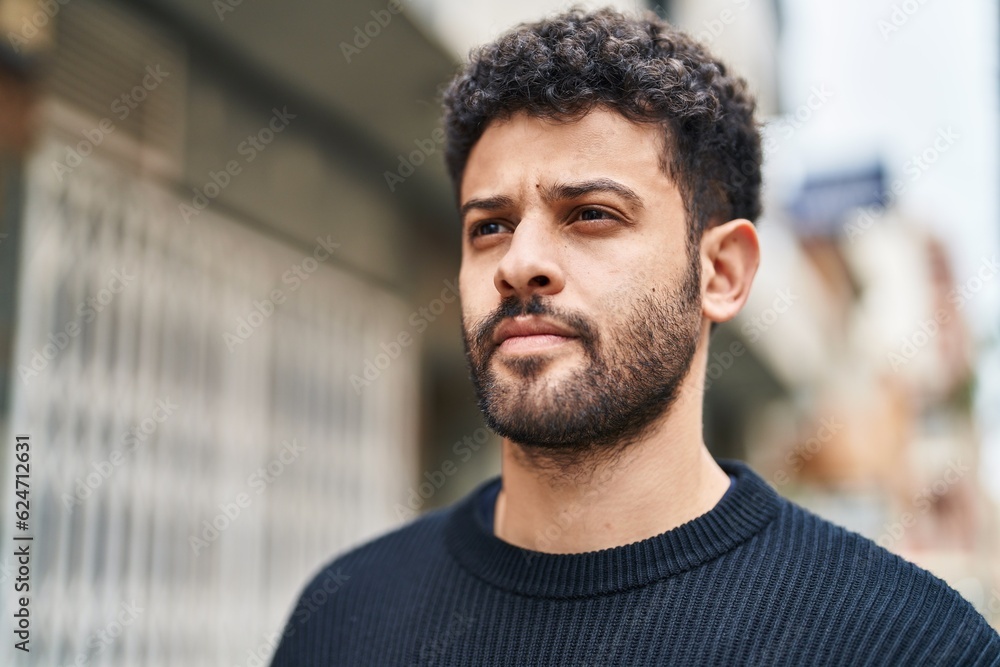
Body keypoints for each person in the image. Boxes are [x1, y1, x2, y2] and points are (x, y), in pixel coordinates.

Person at [271, 8, 1000, 665]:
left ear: (721, 272)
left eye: (590, 214)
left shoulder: (906, 643)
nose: (520, 262)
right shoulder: (342, 615)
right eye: (489, 227)